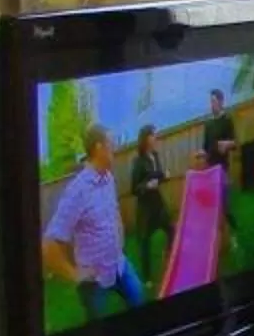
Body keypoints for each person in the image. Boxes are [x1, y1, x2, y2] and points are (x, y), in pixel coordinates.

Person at [41, 124, 146, 319]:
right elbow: (49, 245)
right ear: (99, 148)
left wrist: (120, 240)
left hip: (119, 265)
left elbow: (113, 212)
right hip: (94, 281)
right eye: (111, 143)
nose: (115, 147)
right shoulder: (77, 191)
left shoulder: (108, 178)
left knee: (140, 303)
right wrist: (75, 275)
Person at [126, 125, 171, 286]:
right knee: (144, 242)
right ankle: (147, 278)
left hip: (157, 203)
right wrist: (146, 186)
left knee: (171, 228)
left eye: (155, 135)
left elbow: (156, 176)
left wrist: (164, 176)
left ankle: (169, 256)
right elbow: (134, 188)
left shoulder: (155, 156)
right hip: (146, 208)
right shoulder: (138, 162)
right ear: (146, 139)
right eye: (153, 135)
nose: (156, 138)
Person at [199, 87, 238, 184]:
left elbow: (234, 143)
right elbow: (205, 147)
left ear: (221, 102)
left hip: (222, 166)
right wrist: (201, 154)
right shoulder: (208, 123)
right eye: (211, 102)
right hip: (210, 167)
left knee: (222, 196)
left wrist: (226, 144)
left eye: (214, 101)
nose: (212, 104)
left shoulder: (227, 120)